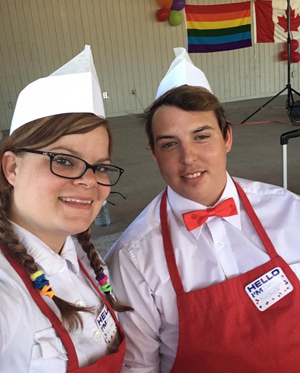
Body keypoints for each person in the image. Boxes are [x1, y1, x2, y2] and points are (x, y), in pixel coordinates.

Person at [106, 48, 300, 372]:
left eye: (201, 136)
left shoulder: (289, 211)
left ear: (227, 137)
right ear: (153, 153)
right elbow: (138, 367)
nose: (189, 157)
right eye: (169, 143)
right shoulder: (132, 259)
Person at [0, 46, 132, 372]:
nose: (89, 181)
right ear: (12, 167)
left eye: (100, 167)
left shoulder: (84, 257)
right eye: (63, 160)